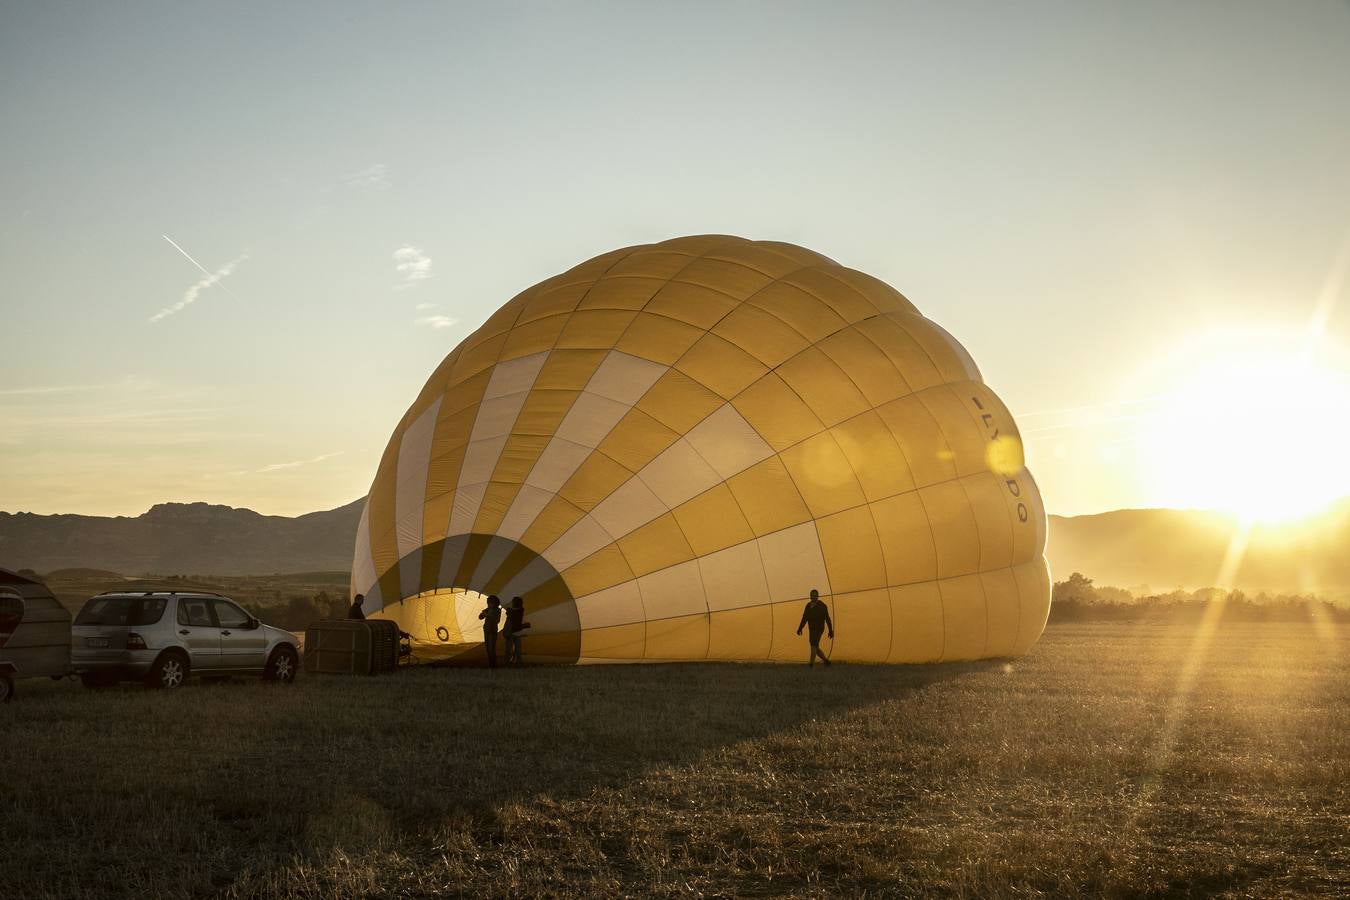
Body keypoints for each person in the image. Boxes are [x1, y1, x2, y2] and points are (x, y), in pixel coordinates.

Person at [796, 588, 833, 667]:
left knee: (813, 645)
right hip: (812, 629)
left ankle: (811, 664)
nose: (813, 597)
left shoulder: (822, 606)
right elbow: (804, 618)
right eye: (812, 596)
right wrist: (800, 628)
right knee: (815, 646)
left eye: (815, 596)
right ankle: (826, 661)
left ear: (818, 596)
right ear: (810, 596)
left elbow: (827, 618)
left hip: (819, 629)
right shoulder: (808, 606)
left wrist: (830, 630)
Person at [502, 595, 531, 666]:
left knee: (509, 649)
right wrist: (524, 626)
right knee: (517, 649)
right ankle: (517, 662)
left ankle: (509, 663)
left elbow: (514, 624)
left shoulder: (512, 612)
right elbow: (516, 624)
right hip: (515, 632)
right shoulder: (519, 611)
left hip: (511, 632)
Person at [478, 594, 503, 668]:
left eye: (490, 602)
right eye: (489, 602)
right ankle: (491, 664)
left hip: (492, 631)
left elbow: (497, 620)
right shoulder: (487, 609)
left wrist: (487, 615)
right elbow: (480, 617)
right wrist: (483, 614)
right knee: (488, 648)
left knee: (491, 648)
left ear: (495, 603)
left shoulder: (497, 610)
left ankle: (493, 665)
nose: (489, 604)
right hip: (487, 630)